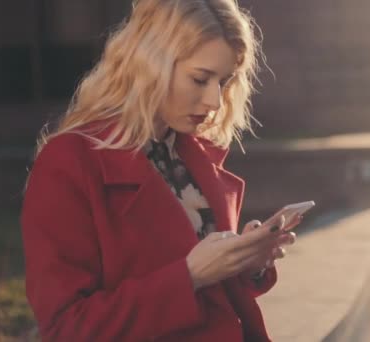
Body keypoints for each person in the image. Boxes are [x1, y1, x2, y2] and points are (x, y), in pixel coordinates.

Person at [20, 0, 301, 340]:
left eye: (224, 82)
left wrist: (246, 262)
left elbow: (215, 301)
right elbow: (66, 328)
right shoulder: (70, 163)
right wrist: (190, 276)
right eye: (200, 79)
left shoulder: (192, 153)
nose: (215, 100)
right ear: (151, 65)